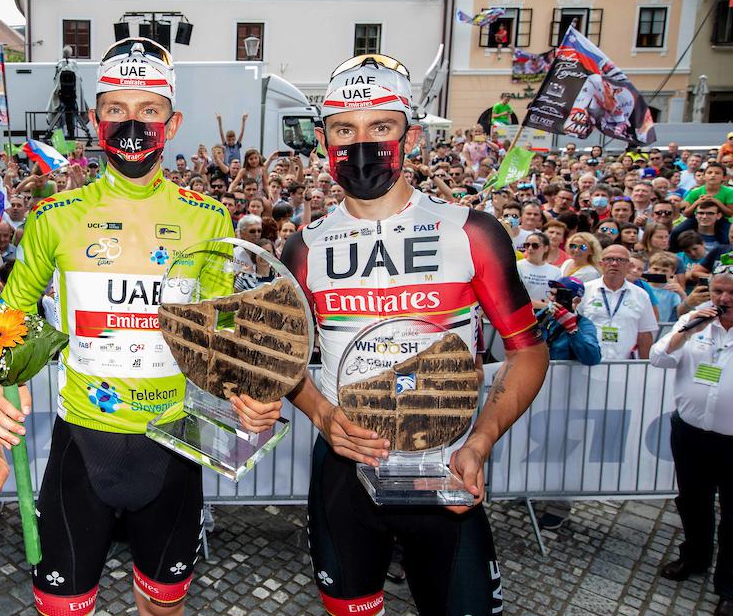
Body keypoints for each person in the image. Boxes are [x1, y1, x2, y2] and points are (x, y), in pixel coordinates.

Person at [0, 38, 262, 616]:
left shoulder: (208, 218)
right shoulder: (55, 219)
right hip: (83, 443)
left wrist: (250, 391)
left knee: (162, 607)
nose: (133, 124)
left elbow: (218, 333)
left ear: (172, 122)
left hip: (172, 445)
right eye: (117, 110)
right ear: (95, 119)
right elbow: (1, 325)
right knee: (62, 608)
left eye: (149, 111)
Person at [278, 54, 548, 615]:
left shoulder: (470, 231)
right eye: (343, 130)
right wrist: (319, 413)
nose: (360, 143)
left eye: (380, 126)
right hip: (345, 474)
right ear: (322, 141)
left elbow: (527, 349)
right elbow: (284, 360)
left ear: (411, 135)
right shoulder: (304, 247)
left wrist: (481, 440)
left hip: (446, 466)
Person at [650, 266, 733, 616]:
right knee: (693, 501)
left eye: (731, 293)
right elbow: (658, 357)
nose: (724, 299)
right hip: (690, 433)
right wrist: (685, 328)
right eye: (718, 291)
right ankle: (695, 558)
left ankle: (729, 586)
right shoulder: (695, 326)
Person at [579, 244, 658, 360]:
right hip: (588, 365)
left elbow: (644, 334)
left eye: (620, 260)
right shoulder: (584, 291)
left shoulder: (641, 295)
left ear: (629, 266)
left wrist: (644, 368)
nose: (614, 263)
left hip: (623, 367)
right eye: (609, 259)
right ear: (601, 264)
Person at [516, 231, 561, 309]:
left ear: (546, 248)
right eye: (527, 245)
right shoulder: (517, 266)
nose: (530, 248)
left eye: (535, 245)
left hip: (545, 316)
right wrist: (547, 306)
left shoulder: (556, 271)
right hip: (523, 312)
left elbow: (557, 297)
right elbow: (517, 297)